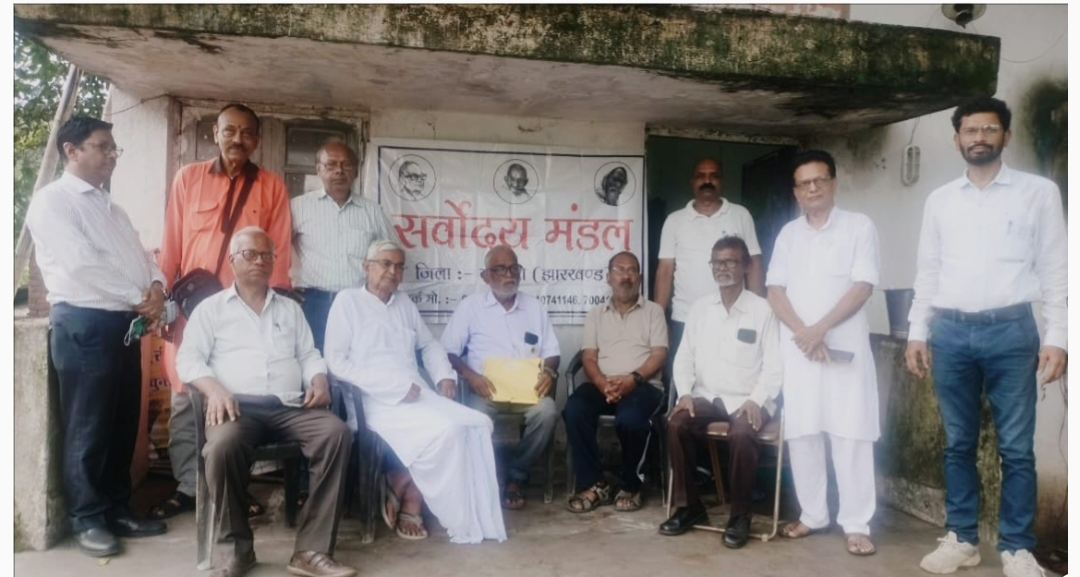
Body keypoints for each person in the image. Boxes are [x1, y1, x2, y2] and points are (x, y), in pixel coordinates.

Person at [906, 97, 1067, 577]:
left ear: (1006, 136)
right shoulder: (940, 200)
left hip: (1012, 331)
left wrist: (1058, 336)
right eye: (971, 130)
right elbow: (928, 271)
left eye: (989, 129)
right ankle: (962, 538)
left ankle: (1017, 548)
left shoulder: (1038, 193)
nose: (980, 137)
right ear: (957, 139)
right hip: (950, 332)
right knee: (957, 442)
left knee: (1016, 447)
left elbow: (1056, 270)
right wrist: (917, 332)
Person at [26, 116, 168, 557]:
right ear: (71, 151)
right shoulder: (53, 203)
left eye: (113, 149)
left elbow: (144, 260)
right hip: (84, 323)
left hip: (124, 324)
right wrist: (140, 299)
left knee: (122, 424)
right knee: (88, 427)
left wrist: (157, 288)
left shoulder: (112, 209)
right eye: (102, 146)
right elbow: (81, 264)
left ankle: (116, 508)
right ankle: (86, 518)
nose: (111, 156)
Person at [176, 227, 354, 577]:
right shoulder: (211, 309)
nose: (259, 261)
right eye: (250, 254)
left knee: (336, 433)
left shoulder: (290, 309)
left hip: (289, 406)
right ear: (232, 261)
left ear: (275, 261)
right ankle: (236, 550)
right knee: (222, 447)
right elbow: (189, 360)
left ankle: (311, 550)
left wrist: (318, 379)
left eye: (266, 255)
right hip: (236, 409)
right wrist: (213, 389)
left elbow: (309, 354)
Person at [153, 103, 294, 521]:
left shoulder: (271, 186)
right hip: (191, 308)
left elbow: (279, 253)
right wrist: (163, 301)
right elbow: (171, 244)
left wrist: (270, 309)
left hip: (244, 309)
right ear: (214, 134)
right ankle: (189, 487)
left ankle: (231, 488)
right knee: (186, 393)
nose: (238, 139)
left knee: (237, 393)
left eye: (247, 133)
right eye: (229, 130)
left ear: (257, 140)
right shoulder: (188, 178)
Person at [323, 240, 506, 544]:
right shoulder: (348, 302)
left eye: (399, 266)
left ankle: (401, 480)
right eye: (385, 264)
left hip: (418, 395)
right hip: (373, 402)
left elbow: (429, 344)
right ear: (366, 267)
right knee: (448, 430)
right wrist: (392, 388)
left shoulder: (404, 303)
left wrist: (443, 375)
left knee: (477, 424)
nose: (392, 272)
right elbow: (336, 362)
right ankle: (413, 500)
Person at [765, 149, 880, 556]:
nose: (812, 188)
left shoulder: (859, 226)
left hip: (843, 349)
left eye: (819, 180)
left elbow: (863, 286)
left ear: (833, 183)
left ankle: (856, 523)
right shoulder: (788, 235)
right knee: (804, 433)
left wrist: (820, 329)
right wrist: (804, 333)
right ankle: (813, 514)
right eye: (804, 183)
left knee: (851, 433)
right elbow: (774, 289)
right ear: (796, 192)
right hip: (801, 350)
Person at [661, 237, 781, 549]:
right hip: (709, 396)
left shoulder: (762, 310)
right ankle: (689, 507)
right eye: (717, 262)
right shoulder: (700, 309)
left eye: (730, 261)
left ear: (746, 266)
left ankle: (740, 514)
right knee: (676, 423)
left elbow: (775, 365)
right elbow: (684, 357)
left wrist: (756, 399)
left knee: (742, 432)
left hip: (750, 398)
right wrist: (685, 393)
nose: (722, 268)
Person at [440, 245, 560, 510]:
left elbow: (552, 352)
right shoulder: (470, 308)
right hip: (485, 391)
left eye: (514, 268)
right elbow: (448, 351)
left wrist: (549, 372)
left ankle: (516, 474)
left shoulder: (535, 308)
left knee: (548, 412)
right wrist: (471, 376)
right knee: (473, 419)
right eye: (501, 269)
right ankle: (487, 476)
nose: (509, 274)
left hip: (527, 392)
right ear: (486, 276)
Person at [563, 252, 667, 513]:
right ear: (608, 277)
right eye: (619, 270)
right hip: (604, 384)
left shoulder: (654, 311)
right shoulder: (596, 314)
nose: (625, 276)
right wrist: (602, 383)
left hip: (643, 385)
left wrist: (633, 379)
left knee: (630, 419)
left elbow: (659, 355)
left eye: (631, 270)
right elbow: (588, 357)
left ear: (639, 277)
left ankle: (631, 485)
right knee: (574, 409)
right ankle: (595, 484)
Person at [654, 158, 764, 382]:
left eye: (713, 176)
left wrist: (760, 310)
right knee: (684, 379)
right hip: (685, 317)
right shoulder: (674, 221)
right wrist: (658, 319)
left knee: (732, 378)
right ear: (692, 181)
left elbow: (753, 264)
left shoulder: (740, 215)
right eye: (701, 176)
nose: (707, 181)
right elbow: (665, 271)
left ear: (722, 181)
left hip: (734, 315)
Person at [291, 141, 396, 353]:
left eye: (346, 165)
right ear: (318, 169)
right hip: (313, 303)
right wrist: (285, 285)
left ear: (356, 171)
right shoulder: (298, 207)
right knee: (313, 362)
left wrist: (381, 290)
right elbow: (275, 248)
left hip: (359, 303)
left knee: (358, 359)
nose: (339, 171)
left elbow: (393, 254)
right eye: (331, 165)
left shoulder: (372, 211)